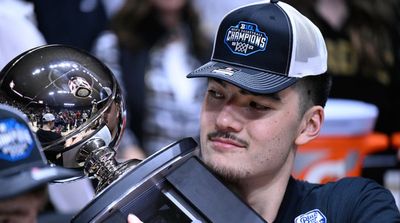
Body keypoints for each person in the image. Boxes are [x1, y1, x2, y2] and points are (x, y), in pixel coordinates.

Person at [128, 1, 400, 222]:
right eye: (216, 94)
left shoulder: (351, 207)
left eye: (256, 105)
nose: (223, 120)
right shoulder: (148, 212)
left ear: (309, 125)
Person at [92, 0, 212, 156]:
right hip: (141, 165)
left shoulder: (202, 44)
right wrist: (133, 158)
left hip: (198, 165)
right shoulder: (115, 45)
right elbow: (107, 114)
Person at [0, 104, 79, 223]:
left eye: (36, 191)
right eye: (15, 213)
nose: (33, 221)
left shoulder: (38, 133)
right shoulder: (55, 135)